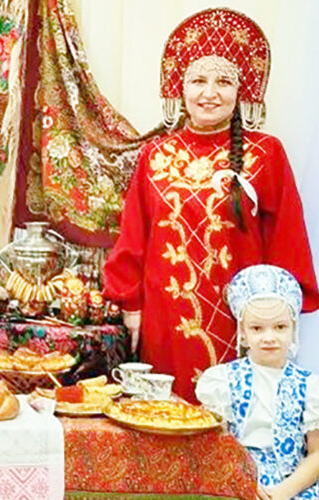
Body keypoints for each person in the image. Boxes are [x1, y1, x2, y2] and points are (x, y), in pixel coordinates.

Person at [102, 8, 318, 402]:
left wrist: (278, 313)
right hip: (165, 317)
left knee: (234, 418)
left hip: (243, 322)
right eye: (198, 81)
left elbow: (287, 236)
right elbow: (134, 235)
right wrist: (131, 307)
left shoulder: (266, 154)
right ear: (180, 87)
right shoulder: (155, 155)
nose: (209, 93)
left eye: (223, 82)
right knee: (167, 417)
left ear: (242, 90)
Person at [196, 265, 319, 500]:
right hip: (236, 482)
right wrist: (243, 484)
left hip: (292, 485)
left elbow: (316, 455)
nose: (269, 337)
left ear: (293, 328)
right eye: (257, 328)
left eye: (280, 327)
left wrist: (284, 491)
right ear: (243, 333)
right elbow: (216, 447)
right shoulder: (222, 381)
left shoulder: (310, 387)